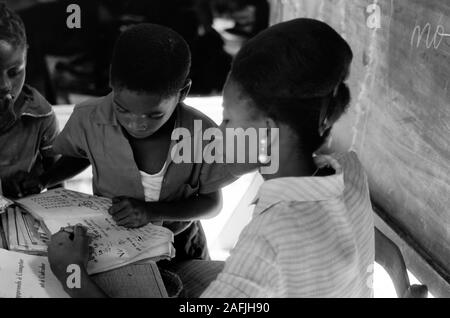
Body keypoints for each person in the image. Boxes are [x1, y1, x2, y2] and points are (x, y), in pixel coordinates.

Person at [47, 18, 375, 297]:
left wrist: (72, 274)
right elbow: (369, 250)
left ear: (266, 129)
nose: (218, 130)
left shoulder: (267, 242)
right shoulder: (350, 172)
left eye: (228, 119)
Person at [28, 24, 236, 261]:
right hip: (114, 242)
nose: (136, 123)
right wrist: (44, 179)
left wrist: (151, 212)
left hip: (181, 245)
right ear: (111, 82)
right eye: (122, 109)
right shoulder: (90, 118)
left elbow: (212, 204)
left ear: (182, 92)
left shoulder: (202, 135)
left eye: (154, 115)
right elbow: (79, 154)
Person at [0, 3, 59, 198]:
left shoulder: (40, 115)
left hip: (21, 219)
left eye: (14, 72)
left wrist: (38, 181)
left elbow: (57, 184)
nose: (4, 85)